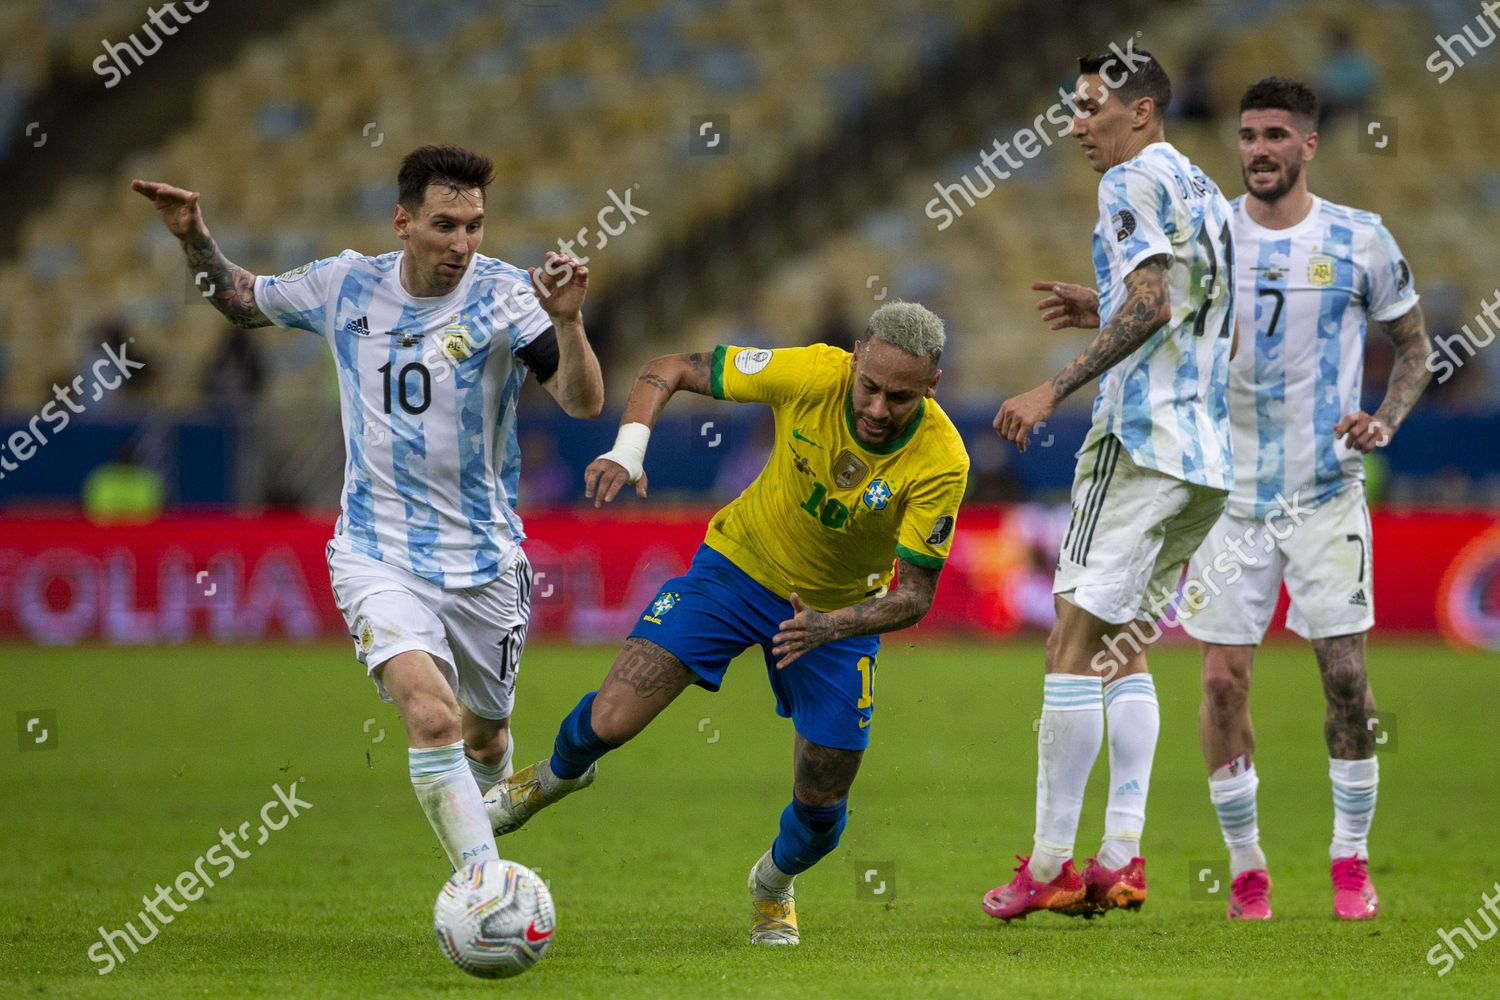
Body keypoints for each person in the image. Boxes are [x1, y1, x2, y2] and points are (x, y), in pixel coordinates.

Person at [132, 144, 604, 873]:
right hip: (375, 552)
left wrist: (570, 325)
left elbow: (581, 402)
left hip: (484, 560)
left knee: (483, 738)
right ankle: (484, 890)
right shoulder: (343, 285)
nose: (463, 244)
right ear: (402, 222)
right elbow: (238, 299)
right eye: (445, 225)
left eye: (475, 226)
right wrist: (195, 235)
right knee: (430, 714)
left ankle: (489, 814)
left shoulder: (510, 295)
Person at [484, 301, 969, 946]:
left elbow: (914, 596)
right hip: (736, 568)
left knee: (823, 802)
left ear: (932, 388)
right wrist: (630, 450)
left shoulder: (943, 461)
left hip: (833, 613)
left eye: (901, 398)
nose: (879, 409)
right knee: (612, 718)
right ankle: (551, 776)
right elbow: (669, 369)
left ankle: (771, 884)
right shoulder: (808, 373)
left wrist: (828, 626)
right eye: (870, 387)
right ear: (855, 359)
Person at [984, 48, 1236, 921]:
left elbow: (1155, 303)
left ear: (1141, 110)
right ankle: (1121, 858)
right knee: (1124, 649)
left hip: (1139, 442)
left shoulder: (1129, 181)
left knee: (1073, 644)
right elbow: (1193, 305)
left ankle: (1051, 863)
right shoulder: (1202, 188)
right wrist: (1107, 301)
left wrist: (1051, 386)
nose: (1078, 123)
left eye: (1091, 106)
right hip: (1205, 457)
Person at [1181, 77, 1430, 921]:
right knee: (1220, 684)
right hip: (1226, 498)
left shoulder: (1360, 239)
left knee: (1349, 682)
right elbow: (1158, 316)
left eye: (1275, 135)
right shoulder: (1209, 232)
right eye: (1248, 134)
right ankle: (1247, 870)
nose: (1258, 148)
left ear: (1308, 146)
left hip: (1325, 494)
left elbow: (1416, 349)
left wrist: (1386, 421)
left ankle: (1350, 860)